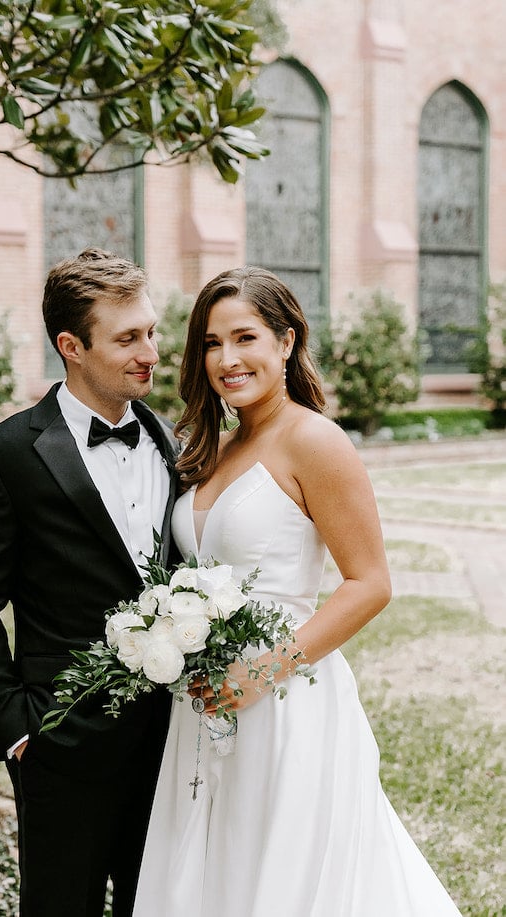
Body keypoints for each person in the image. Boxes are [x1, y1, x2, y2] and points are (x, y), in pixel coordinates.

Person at [132, 266, 463, 917]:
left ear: (286, 341)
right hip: (201, 704)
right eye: (210, 342)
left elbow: (371, 583)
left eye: (245, 337)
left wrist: (263, 669)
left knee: (284, 877)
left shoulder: (315, 440)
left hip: (286, 700)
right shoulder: (214, 448)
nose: (226, 358)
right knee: (212, 870)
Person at [0, 248, 180, 917]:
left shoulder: (175, 441)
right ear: (71, 345)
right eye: (129, 337)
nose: (151, 352)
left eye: (152, 331)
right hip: (61, 743)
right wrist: (16, 728)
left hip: (171, 743)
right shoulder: (4, 455)